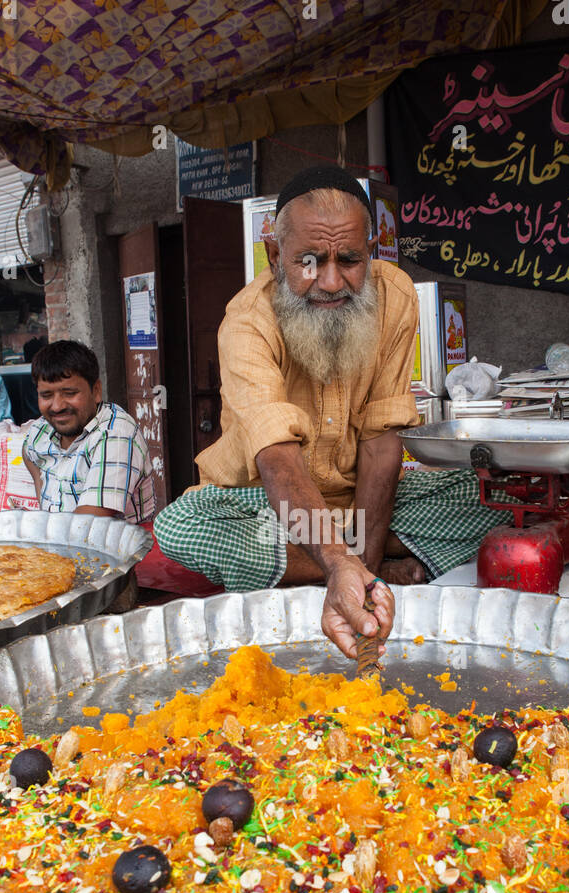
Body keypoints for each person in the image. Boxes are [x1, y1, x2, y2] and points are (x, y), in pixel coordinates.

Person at [152, 166, 510, 660]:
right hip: (263, 507)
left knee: (500, 495)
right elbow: (277, 458)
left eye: (349, 259)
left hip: (361, 510)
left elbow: (383, 444)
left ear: (371, 251)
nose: (331, 280)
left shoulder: (395, 296)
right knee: (183, 526)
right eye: (309, 260)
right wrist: (344, 561)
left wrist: (353, 559)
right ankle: (371, 564)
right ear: (275, 256)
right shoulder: (247, 323)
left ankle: (350, 564)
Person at [22, 340, 155, 521]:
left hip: (115, 547)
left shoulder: (115, 433)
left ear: (96, 391)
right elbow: (28, 453)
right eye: (46, 395)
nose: (57, 406)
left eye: (69, 393)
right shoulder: (40, 430)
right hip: (60, 543)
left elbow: (85, 525)